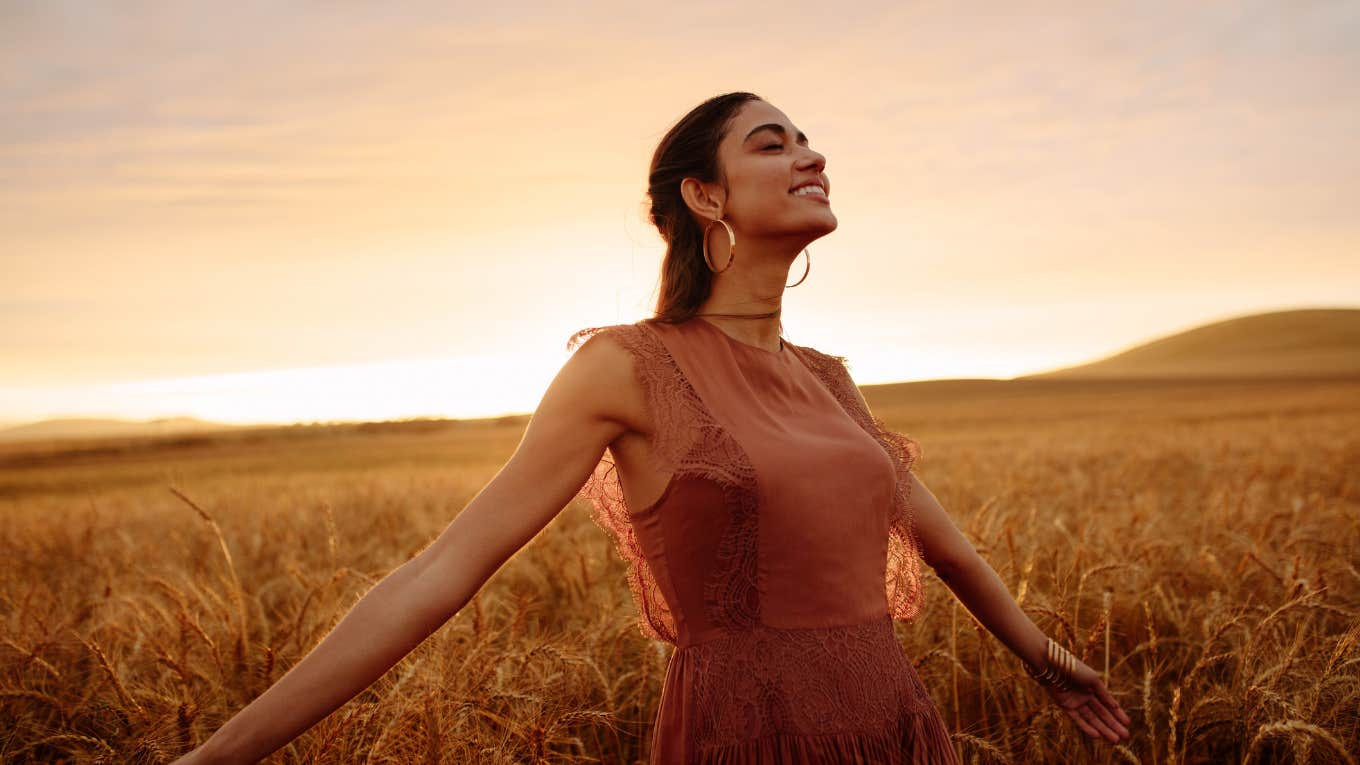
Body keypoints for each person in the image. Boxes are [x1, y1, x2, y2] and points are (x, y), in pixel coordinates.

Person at [171, 91, 1132, 765]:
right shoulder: (626, 367)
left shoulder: (832, 382)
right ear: (705, 198)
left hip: (894, 725)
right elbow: (441, 571)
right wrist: (219, 756)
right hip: (750, 736)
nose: (811, 153)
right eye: (771, 142)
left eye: (808, 137)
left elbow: (946, 544)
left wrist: (1049, 663)